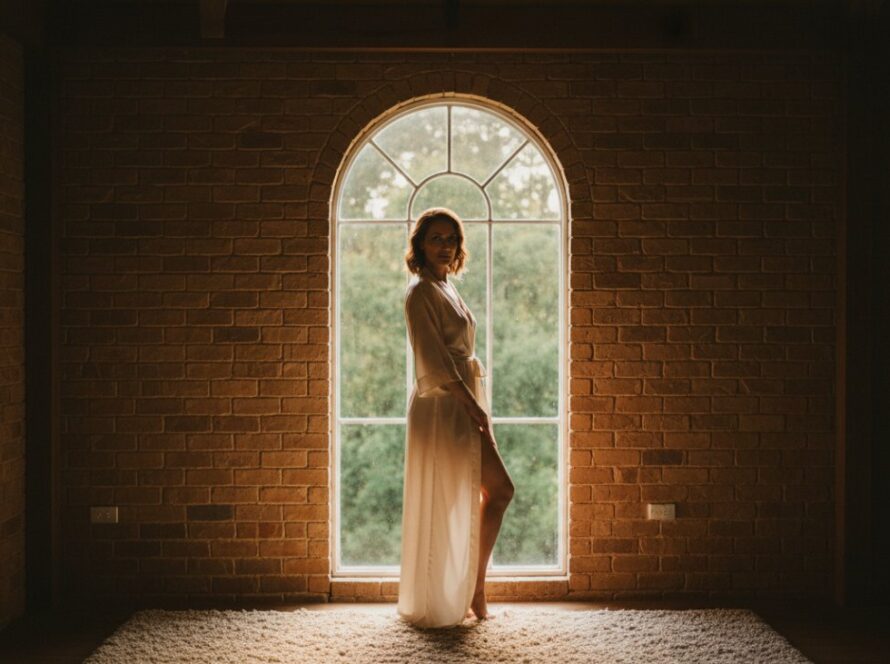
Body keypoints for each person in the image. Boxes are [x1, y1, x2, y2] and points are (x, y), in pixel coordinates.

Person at [397, 207, 515, 628]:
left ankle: (475, 590)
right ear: (420, 247)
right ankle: (462, 595)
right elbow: (432, 358)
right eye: (436, 238)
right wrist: (472, 405)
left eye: (450, 238)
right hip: (443, 406)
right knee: (461, 495)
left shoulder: (447, 287)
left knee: (496, 491)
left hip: (465, 400)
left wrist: (476, 403)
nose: (444, 245)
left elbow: (460, 355)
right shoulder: (420, 292)